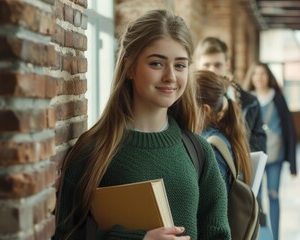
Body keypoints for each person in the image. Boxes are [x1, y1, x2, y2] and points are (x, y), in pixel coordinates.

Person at [53, 9, 231, 240]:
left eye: (180, 65)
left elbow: (218, 234)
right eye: (157, 64)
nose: (170, 76)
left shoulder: (198, 151)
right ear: (129, 68)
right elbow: (66, 236)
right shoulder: (94, 150)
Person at [243, 62, 297, 240]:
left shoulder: (278, 98)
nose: (259, 77)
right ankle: (258, 234)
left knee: (273, 194)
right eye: (255, 74)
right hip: (254, 155)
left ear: (269, 76)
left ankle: (276, 236)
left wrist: (293, 164)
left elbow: (289, 128)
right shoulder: (246, 99)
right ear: (251, 77)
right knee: (255, 198)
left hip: (276, 154)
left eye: (263, 73)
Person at [194, 37, 266, 153]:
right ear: (197, 65)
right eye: (206, 65)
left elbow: (259, 144)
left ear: (227, 64)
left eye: (217, 65)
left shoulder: (251, 102)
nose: (212, 71)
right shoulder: (188, 102)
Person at [194, 70, 252, 191]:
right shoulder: (206, 136)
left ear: (205, 110)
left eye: (186, 102)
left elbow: (218, 203)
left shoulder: (212, 147)